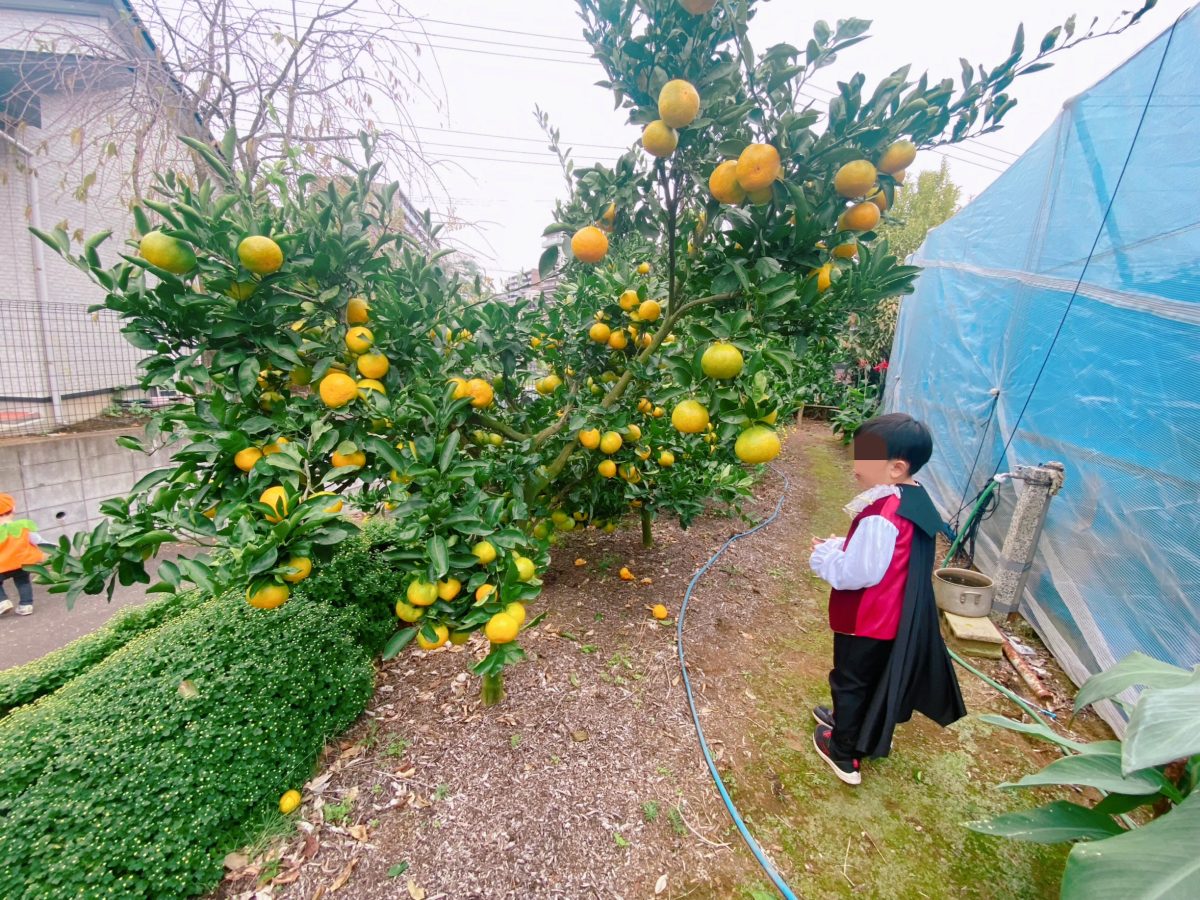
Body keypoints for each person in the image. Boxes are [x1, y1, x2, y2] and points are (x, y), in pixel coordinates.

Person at [808, 413, 966, 785]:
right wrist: (842, 544)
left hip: (866, 619)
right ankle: (853, 726)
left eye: (864, 456)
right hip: (894, 617)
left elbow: (857, 573)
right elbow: (891, 555)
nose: (855, 463)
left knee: (850, 680)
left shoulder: (882, 514)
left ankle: (844, 751)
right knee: (867, 679)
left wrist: (823, 557)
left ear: (896, 467)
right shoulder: (912, 498)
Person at [0, 493, 46, 617]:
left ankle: (2, 601)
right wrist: (55, 548)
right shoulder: (23, 526)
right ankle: (26, 605)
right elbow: (38, 541)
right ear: (13, 509)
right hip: (23, 563)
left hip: (2, 566)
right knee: (23, 582)